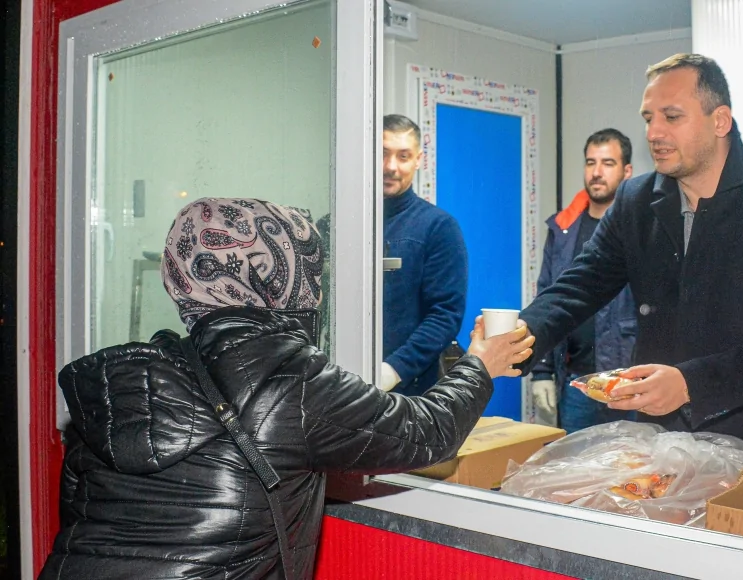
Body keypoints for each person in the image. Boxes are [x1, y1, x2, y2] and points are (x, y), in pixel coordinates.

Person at [39, 198, 534, 580]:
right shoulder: (284, 373)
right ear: (281, 273)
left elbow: (80, 511)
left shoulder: (127, 375)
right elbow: (426, 432)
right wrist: (481, 364)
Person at [516, 53, 743, 464]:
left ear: (719, 121)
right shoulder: (635, 201)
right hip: (671, 445)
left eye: (671, 116)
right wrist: (522, 336)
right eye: (649, 117)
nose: (654, 132)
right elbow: (580, 284)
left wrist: (691, 382)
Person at [531, 129, 637, 432]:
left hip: (629, 385)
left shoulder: (640, 227)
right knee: (578, 474)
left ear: (627, 171)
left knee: (630, 474)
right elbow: (547, 298)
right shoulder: (563, 229)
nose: (597, 172)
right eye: (591, 163)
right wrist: (541, 372)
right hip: (576, 385)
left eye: (608, 163)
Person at [381, 114, 469, 396]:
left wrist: (392, 371)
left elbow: (445, 316)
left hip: (410, 393)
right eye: (382, 154)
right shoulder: (334, 224)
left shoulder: (438, 227)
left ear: (418, 160)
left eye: (403, 156)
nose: (390, 166)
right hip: (337, 388)